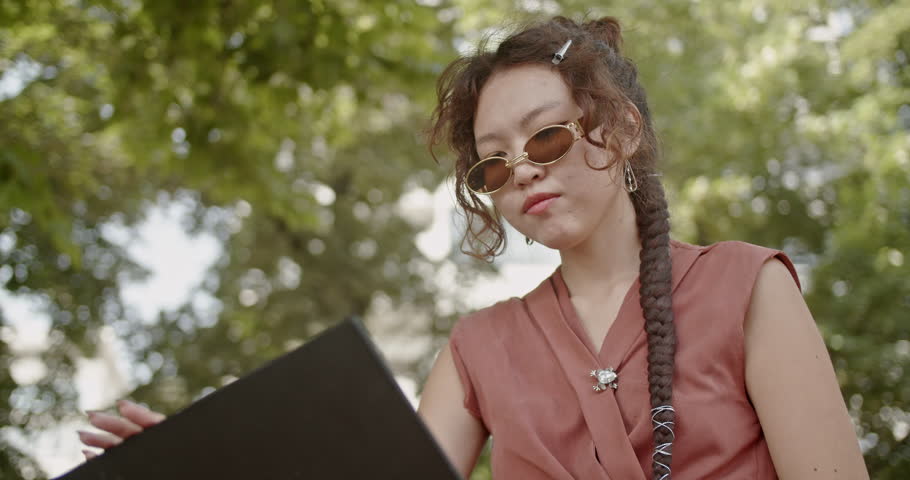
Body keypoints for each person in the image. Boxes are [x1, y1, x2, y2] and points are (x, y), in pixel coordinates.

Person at [79, 16, 868, 479]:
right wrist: (197, 463)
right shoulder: (476, 350)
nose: (521, 170)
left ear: (621, 130)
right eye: (494, 160)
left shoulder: (748, 286)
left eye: (547, 135)